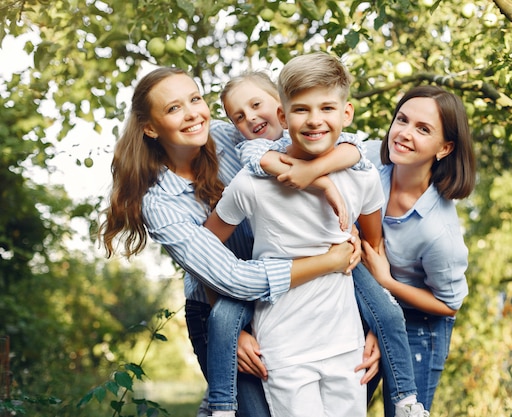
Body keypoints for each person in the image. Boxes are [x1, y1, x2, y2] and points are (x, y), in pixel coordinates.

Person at [98, 66, 366, 417]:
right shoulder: (157, 202)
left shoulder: (229, 136)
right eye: (174, 108)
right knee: (257, 411)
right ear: (150, 127)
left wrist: (346, 224)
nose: (193, 113)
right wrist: (331, 260)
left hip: (295, 295)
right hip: (218, 306)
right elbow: (231, 278)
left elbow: (305, 158)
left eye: (195, 99)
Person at [227, 72, 430, 417]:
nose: (250, 118)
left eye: (255, 104)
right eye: (239, 116)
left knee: (387, 313)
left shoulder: (354, 162)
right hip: (280, 322)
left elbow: (353, 158)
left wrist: (373, 324)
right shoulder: (252, 159)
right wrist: (320, 182)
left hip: (341, 322)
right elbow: (269, 166)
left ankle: (406, 400)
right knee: (223, 319)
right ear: (285, 114)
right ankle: (220, 406)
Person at [205, 51, 386, 417]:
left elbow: (374, 246)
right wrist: (228, 323)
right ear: (284, 117)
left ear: (346, 113)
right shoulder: (251, 183)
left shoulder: (362, 175)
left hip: (346, 345)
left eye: (327, 109)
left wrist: (376, 326)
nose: (315, 120)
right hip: (284, 347)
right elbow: (206, 250)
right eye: (302, 110)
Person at [360, 85, 477, 415]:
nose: (404, 134)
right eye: (402, 120)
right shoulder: (369, 164)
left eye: (422, 129)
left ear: (445, 147)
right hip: (374, 308)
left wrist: (388, 281)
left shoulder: (438, 231)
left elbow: (449, 305)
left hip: (421, 324)